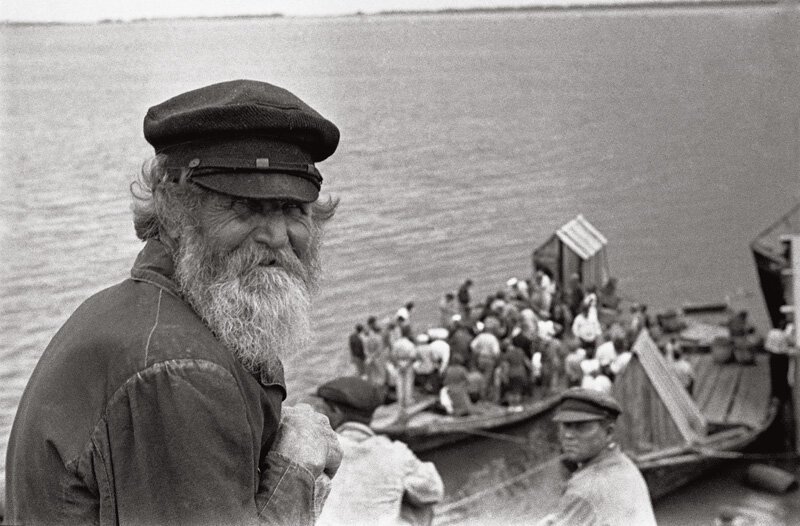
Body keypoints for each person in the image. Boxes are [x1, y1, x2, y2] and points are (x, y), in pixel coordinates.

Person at [5, 80, 344, 524]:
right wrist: (297, 465)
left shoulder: (142, 313)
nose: (278, 237)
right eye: (245, 208)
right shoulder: (178, 365)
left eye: (293, 210)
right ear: (173, 208)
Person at [311, 377, 444, 526]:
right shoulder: (396, 452)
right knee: (420, 503)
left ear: (336, 412)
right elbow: (434, 491)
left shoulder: (315, 449)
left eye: (322, 410)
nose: (319, 415)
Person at [539, 388, 657, 526]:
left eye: (581, 427)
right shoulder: (624, 464)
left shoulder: (584, 490)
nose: (569, 435)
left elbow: (587, 499)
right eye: (566, 425)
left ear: (608, 432)